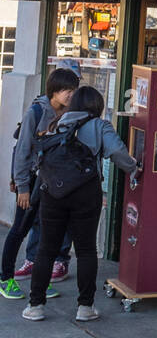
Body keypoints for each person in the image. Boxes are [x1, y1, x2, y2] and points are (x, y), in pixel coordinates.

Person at [22, 85, 139, 322]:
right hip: (86, 192)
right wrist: (134, 169)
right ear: (97, 106)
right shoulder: (99, 125)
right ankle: (85, 307)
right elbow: (117, 152)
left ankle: (35, 306)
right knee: (86, 250)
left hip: (53, 192)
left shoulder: (56, 123)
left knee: (46, 248)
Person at [0, 68, 79, 300]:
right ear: (54, 90)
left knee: (47, 230)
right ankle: (5, 279)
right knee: (20, 229)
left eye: (73, 90)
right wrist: (22, 185)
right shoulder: (36, 111)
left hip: (52, 180)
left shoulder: (68, 113)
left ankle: (40, 283)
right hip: (32, 179)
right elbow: (23, 150)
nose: (70, 95)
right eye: (66, 90)